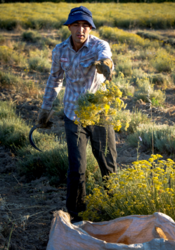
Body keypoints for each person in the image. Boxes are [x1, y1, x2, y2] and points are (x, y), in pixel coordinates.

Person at [37, 6, 117, 223]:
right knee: (77, 168)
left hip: (99, 114)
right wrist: (46, 109)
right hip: (73, 114)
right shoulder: (60, 50)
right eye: (76, 25)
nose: (81, 30)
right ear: (69, 27)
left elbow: (106, 56)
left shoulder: (99, 46)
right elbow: (55, 80)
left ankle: (115, 208)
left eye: (85, 26)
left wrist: (106, 65)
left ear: (90, 28)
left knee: (107, 164)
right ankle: (76, 214)